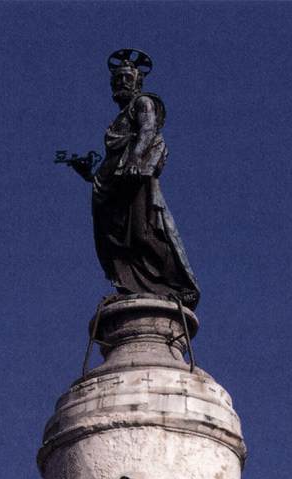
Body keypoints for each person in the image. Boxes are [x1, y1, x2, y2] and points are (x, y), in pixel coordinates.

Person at [69, 48, 200, 308]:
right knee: (117, 242)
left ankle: (177, 284)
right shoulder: (118, 119)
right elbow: (113, 161)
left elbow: (148, 131)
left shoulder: (143, 103)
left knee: (142, 233)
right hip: (112, 186)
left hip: (135, 178)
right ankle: (129, 285)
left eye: (126, 80)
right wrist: (89, 174)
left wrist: (135, 160)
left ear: (137, 82)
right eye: (116, 81)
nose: (120, 85)